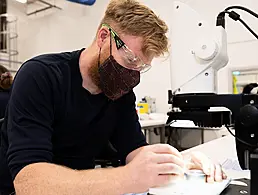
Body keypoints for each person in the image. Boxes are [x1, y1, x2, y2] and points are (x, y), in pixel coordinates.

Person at [0, 0, 226, 194]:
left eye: (141, 68)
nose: (132, 75)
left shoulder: (119, 90)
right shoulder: (41, 76)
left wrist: (178, 162)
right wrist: (126, 178)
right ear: (103, 36)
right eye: (130, 60)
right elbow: (29, 183)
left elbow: (134, 149)